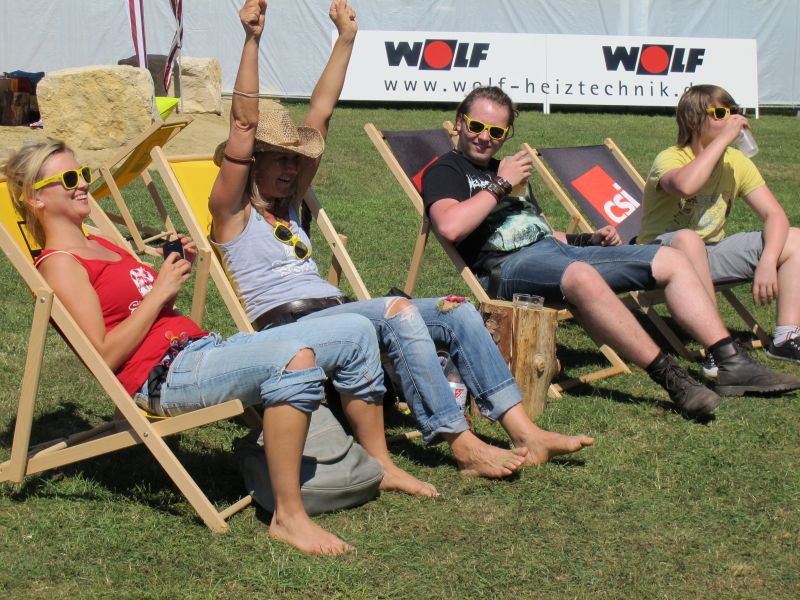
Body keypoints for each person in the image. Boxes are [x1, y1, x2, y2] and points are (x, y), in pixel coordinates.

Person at [209, 0, 594, 478]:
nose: (292, 168)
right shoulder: (232, 213)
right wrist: (252, 40)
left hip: (336, 314)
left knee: (458, 312)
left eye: (295, 159)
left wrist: (346, 39)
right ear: (253, 163)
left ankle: (526, 433)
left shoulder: (289, 202)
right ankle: (461, 444)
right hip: (287, 328)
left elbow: (321, 115)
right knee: (398, 310)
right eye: (279, 159)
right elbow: (243, 125)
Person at [2, 139, 438, 556]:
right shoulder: (61, 264)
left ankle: (381, 464)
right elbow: (102, 355)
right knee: (293, 358)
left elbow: (140, 311)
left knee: (355, 332)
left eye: (82, 172)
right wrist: (159, 293)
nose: (83, 183)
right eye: (69, 179)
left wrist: (170, 276)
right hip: (165, 376)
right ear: (36, 199)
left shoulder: (98, 243)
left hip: (198, 349)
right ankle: (289, 517)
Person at [421, 86, 800, 417]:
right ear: (460, 123)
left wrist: (587, 241)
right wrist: (501, 183)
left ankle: (730, 361)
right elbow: (450, 226)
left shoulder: (506, 170)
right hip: (505, 269)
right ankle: (671, 377)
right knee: (581, 276)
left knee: (672, 258)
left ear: (506, 134)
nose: (484, 137)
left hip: (553, 254)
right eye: (476, 126)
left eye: (496, 131)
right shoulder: (447, 170)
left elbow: (538, 230)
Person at [637, 83, 800, 372]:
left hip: (710, 253)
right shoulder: (671, 158)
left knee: (794, 239)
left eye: (734, 111)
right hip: (657, 257)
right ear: (694, 121)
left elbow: (775, 214)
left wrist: (768, 260)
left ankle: (786, 338)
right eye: (721, 113)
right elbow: (686, 186)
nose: (732, 119)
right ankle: (719, 348)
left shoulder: (735, 162)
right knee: (689, 239)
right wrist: (723, 140)